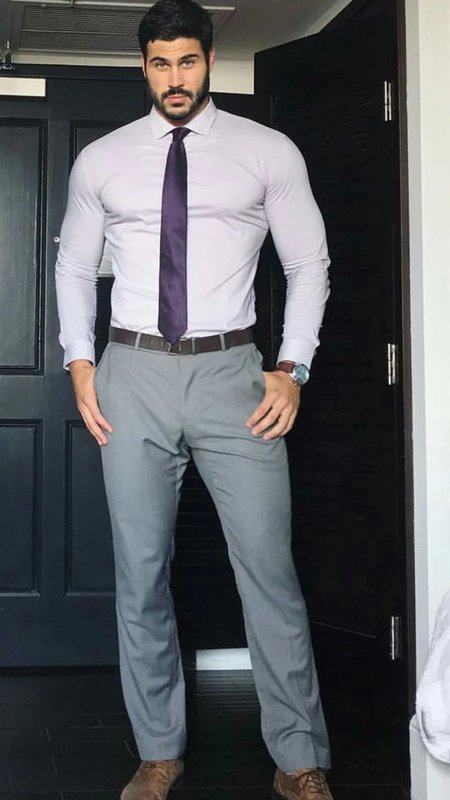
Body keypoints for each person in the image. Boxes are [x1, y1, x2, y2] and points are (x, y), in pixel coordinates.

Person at [55, 1, 333, 798]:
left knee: (268, 572)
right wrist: (80, 364)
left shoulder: (267, 151)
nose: (174, 78)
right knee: (141, 574)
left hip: (233, 374)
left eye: (187, 61)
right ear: (143, 66)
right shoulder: (102, 161)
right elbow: (73, 267)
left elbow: (308, 265)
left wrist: (292, 368)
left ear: (208, 60)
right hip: (133, 374)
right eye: (160, 63)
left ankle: (299, 762)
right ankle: (157, 752)